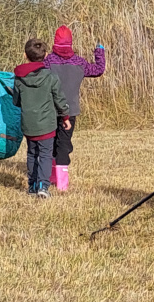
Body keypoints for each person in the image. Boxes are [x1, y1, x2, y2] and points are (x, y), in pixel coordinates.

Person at [42, 25, 105, 188]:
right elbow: (98, 70)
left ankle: (51, 177)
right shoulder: (79, 63)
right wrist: (99, 52)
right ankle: (63, 182)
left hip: (50, 109)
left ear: (55, 43)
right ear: (70, 43)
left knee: (51, 142)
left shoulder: (48, 62)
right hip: (70, 110)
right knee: (64, 143)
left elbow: (37, 72)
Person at [14, 38, 72, 198]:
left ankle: (32, 185)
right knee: (46, 154)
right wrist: (65, 117)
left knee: (32, 153)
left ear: (25, 55)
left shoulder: (19, 78)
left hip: (28, 124)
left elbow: (16, 101)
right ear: (46, 55)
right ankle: (42, 186)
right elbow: (59, 99)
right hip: (47, 123)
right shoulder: (51, 77)